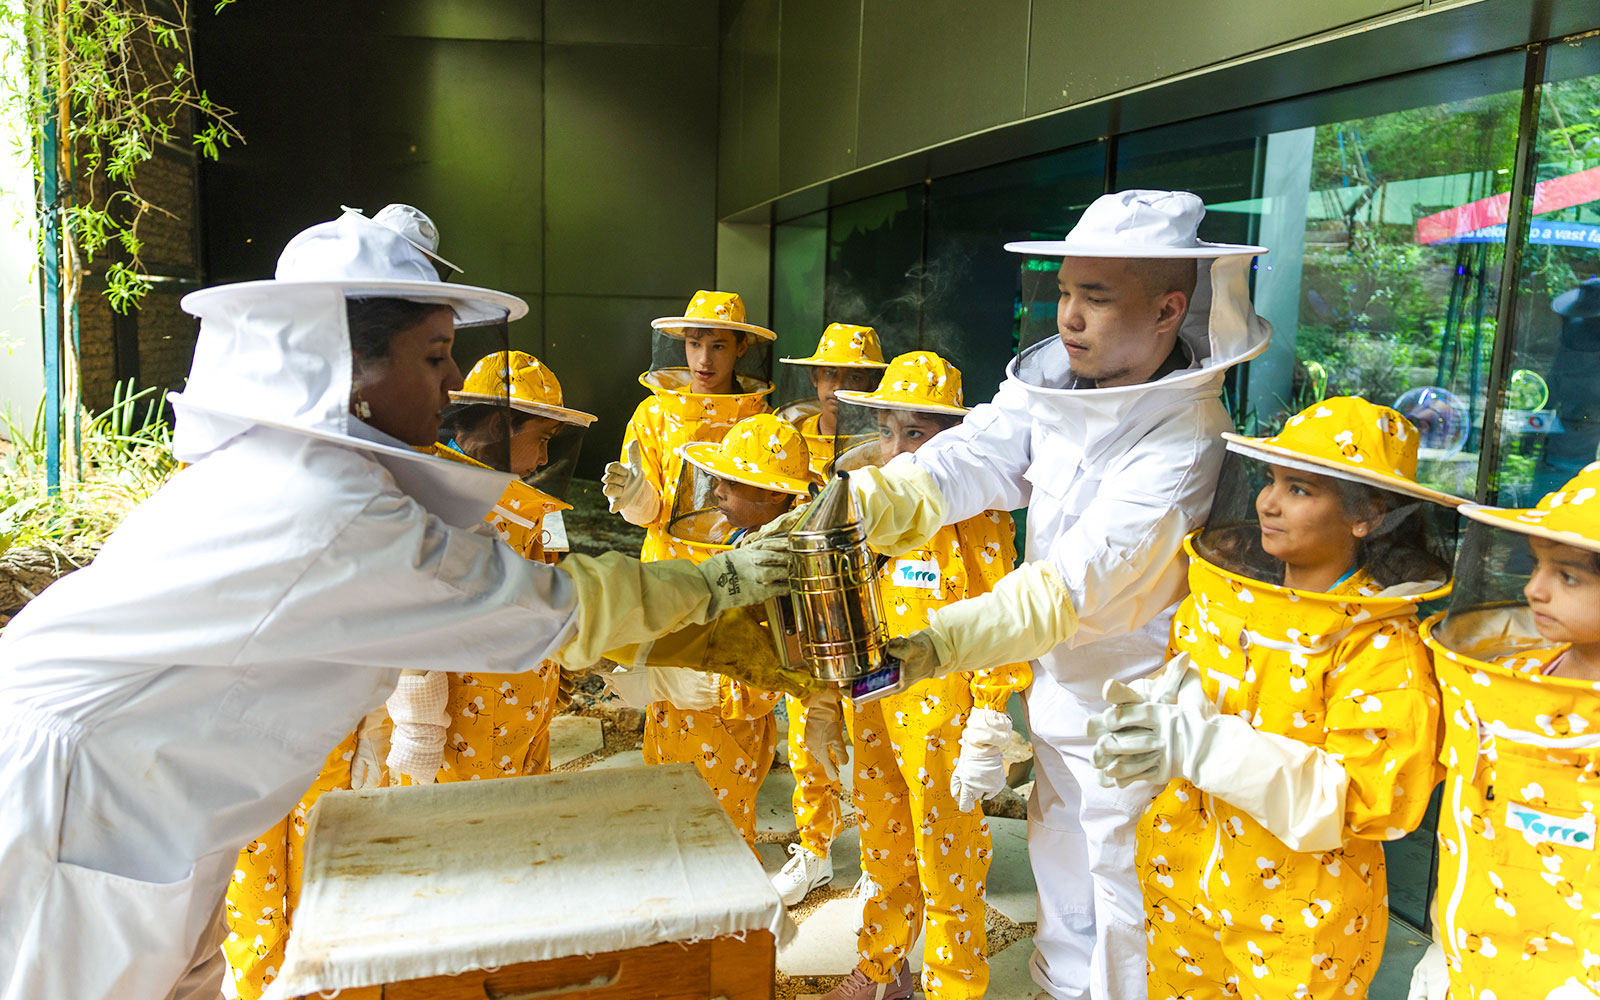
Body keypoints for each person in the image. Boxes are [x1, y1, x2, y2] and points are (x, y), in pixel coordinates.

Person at [0, 206, 793, 1000]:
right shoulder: (319, 504)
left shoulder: (302, 473)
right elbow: (538, 609)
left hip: (148, 798)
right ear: (344, 365)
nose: (454, 383)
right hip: (82, 802)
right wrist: (729, 581)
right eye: (437, 355)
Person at [812, 189, 1274, 1000]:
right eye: (1063, 292)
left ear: (1170, 308)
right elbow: (976, 455)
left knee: (1128, 908)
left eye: (1095, 298)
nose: (1069, 316)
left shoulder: (1185, 438)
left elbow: (1071, 585)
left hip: (1140, 714)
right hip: (1062, 695)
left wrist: (935, 645)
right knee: (1062, 876)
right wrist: (867, 502)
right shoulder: (1060, 381)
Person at [1089, 396, 1460, 999]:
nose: (1268, 503)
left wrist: (1208, 749)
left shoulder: (1380, 648)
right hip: (1182, 879)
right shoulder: (1227, 600)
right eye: (1270, 481)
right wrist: (1149, 723)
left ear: (1366, 516)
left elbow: (1374, 799)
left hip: (1299, 916)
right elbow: (1187, 697)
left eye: (1300, 489)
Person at [819, 351, 1029, 1000]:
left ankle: (953, 987)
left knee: (948, 864)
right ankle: (883, 969)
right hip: (875, 698)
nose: (896, 447)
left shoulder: (977, 517)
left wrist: (991, 717)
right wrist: (829, 702)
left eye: (916, 433)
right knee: (882, 842)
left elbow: (1001, 613)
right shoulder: (876, 503)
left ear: (953, 438)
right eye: (887, 430)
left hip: (945, 718)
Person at [1408, 461, 1600, 1000]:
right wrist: (1444, 944)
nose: (1534, 590)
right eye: (1537, 566)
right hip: (1473, 961)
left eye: (1568, 575)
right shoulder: (1521, 674)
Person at [610, 413, 819, 846]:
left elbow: (783, 665)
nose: (717, 491)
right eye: (718, 477)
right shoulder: (748, 543)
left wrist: (695, 686)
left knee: (718, 839)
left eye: (734, 482)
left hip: (726, 728)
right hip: (675, 719)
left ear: (777, 496)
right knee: (667, 823)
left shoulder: (781, 567)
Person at [771, 322, 888, 907]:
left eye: (856, 378)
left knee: (870, 739)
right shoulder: (788, 442)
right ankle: (814, 850)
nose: (839, 387)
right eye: (830, 374)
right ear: (814, 376)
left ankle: (878, 858)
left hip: (870, 610)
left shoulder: (889, 452)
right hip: (806, 614)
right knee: (807, 737)